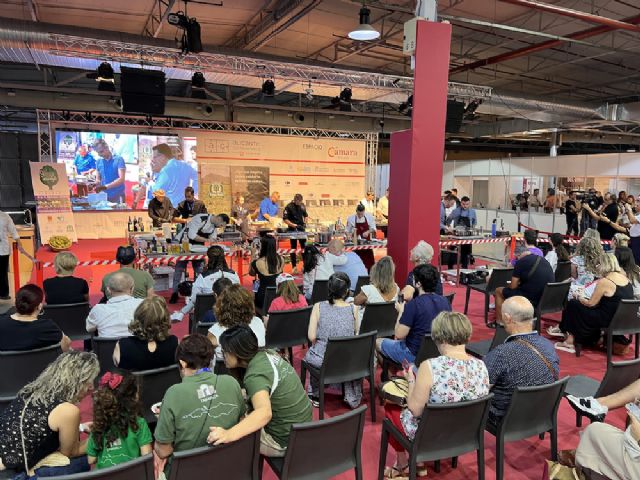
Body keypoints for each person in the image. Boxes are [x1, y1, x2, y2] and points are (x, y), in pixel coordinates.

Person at [382, 312, 490, 478]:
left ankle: (404, 462)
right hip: (465, 433)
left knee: (391, 405)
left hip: (431, 435)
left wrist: (411, 380)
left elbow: (415, 410)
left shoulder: (430, 366)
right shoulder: (481, 365)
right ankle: (417, 463)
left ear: (438, 336)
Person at [208, 325, 312, 457]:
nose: (223, 356)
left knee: (228, 417)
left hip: (282, 443)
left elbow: (264, 413)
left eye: (224, 352)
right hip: (304, 430)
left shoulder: (255, 376)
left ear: (237, 352)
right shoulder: (268, 353)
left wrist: (228, 434)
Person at [154, 334, 245, 475]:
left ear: (183, 363)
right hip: (229, 467)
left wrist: (163, 421)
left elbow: (163, 451)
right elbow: (241, 423)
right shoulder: (231, 382)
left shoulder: (173, 393)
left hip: (187, 473)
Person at [0, 351, 99, 478]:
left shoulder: (30, 391)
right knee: (86, 459)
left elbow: (34, 429)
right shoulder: (68, 411)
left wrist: (79, 427)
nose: (92, 387)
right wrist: (101, 437)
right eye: (89, 381)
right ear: (77, 382)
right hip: (9, 474)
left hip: (5, 463)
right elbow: (71, 452)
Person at [483, 296, 559, 426]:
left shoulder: (502, 353)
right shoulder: (548, 345)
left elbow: (480, 388)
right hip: (542, 413)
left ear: (507, 318)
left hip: (505, 418)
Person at [553, 254, 634, 354]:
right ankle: (585, 338)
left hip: (607, 320)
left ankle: (570, 341)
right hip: (622, 319)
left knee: (573, 304)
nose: (596, 267)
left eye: (598, 264)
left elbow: (591, 303)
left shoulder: (605, 281)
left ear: (603, 265)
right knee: (578, 306)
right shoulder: (626, 279)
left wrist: (579, 297)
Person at [303, 272, 362, 407]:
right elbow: (356, 333)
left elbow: (311, 336)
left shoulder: (318, 306)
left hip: (324, 360)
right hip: (347, 359)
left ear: (329, 289)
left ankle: (315, 394)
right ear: (347, 291)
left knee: (314, 352)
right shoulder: (354, 308)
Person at [376, 264, 451, 365]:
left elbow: (399, 335)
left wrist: (401, 311)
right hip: (438, 352)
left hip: (413, 355)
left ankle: (387, 376)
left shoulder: (414, 305)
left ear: (418, 284)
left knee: (376, 342)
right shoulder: (445, 301)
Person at [86, 372, 152, 469]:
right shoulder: (139, 423)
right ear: (132, 399)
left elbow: (91, 459)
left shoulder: (99, 425)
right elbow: (147, 456)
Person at [171, 213, 230, 304]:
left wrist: (214, 240)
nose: (220, 227)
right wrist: (207, 240)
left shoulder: (213, 227)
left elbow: (212, 238)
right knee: (179, 269)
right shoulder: (200, 218)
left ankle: (198, 293)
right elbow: (191, 235)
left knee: (200, 271)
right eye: (221, 225)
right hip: (184, 244)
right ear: (219, 219)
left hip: (198, 248)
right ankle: (174, 293)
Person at [170, 245, 240, 322]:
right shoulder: (234, 275)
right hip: (233, 316)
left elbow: (193, 301)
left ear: (209, 259)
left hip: (208, 318)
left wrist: (182, 312)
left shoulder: (202, 278)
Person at [113, 296, 178, 371]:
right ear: (166, 319)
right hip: (168, 383)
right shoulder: (175, 343)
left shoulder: (122, 345)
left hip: (133, 382)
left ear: (137, 317)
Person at [0, 284, 71, 351]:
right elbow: (66, 345)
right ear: (40, 306)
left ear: (16, 303)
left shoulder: (2, 322)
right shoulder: (48, 327)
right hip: (42, 363)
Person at [494, 244, 554, 321]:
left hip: (532, 299)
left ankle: (500, 322)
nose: (516, 259)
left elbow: (513, 287)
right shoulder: (542, 259)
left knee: (499, 290)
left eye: (516, 258)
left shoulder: (521, 262)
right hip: (546, 298)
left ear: (518, 255)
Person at [207, 284, 266, 362]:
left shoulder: (215, 331)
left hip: (225, 372)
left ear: (221, 306)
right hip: (257, 367)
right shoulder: (258, 322)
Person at [88, 272, 144, 338]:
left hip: (108, 347)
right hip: (137, 347)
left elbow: (89, 328)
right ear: (132, 289)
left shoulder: (97, 309)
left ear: (108, 290)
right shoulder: (143, 305)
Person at [148, 143, 198, 209]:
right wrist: (192, 194)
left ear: (162, 157)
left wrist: (150, 182)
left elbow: (156, 192)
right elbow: (197, 177)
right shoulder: (185, 166)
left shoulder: (165, 171)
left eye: (155, 157)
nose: (153, 160)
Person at [354, 256, 399, 320]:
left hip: (367, 327)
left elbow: (355, 302)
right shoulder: (397, 288)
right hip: (388, 326)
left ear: (376, 272)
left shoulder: (368, 290)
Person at [250, 236, 285, 312]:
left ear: (263, 246)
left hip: (263, 299)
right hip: (279, 296)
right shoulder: (281, 259)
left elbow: (251, 273)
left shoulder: (258, 262)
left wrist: (252, 254)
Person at [445, 196, 477, 269]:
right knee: (452, 251)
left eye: (467, 204)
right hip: (456, 235)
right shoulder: (456, 211)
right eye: (463, 204)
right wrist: (449, 228)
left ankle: (464, 268)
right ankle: (450, 267)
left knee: (465, 253)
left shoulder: (472, 212)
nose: (465, 206)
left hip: (467, 235)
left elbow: (475, 222)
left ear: (469, 204)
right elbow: (448, 220)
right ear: (461, 203)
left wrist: (472, 229)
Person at [0, 210, 25, 301]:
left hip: (3, 249)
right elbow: (13, 231)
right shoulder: (5, 216)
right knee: (2, 272)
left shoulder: (5, 216)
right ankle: (3, 293)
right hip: (3, 249)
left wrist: (20, 244)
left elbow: (13, 231)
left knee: (2, 272)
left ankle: (3, 293)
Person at [283, 194, 309, 274]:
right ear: (295, 200)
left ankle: (305, 266)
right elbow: (285, 219)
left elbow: (306, 215)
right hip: (292, 229)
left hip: (301, 229)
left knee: (304, 248)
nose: (299, 203)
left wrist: (305, 222)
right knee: (293, 248)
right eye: (298, 201)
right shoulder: (289, 207)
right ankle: (294, 267)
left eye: (300, 202)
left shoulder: (302, 205)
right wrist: (295, 225)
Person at [93, 138, 126, 203]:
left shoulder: (119, 159)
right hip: (104, 196)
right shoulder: (99, 161)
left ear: (107, 148)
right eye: (98, 152)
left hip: (118, 196)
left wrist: (105, 187)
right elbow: (98, 179)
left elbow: (121, 179)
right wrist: (94, 184)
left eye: (101, 151)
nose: (99, 154)